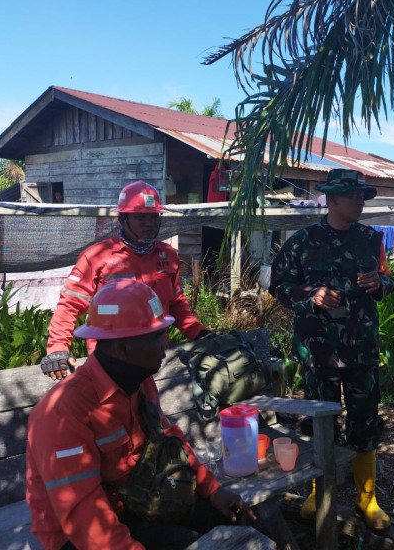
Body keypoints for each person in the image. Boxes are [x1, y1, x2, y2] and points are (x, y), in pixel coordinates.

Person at [26, 280, 251, 550]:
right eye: (155, 336)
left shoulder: (139, 382)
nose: (164, 345)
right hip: (80, 534)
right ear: (122, 347)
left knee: (237, 522)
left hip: (140, 501)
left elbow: (170, 440)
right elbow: (83, 513)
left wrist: (213, 490)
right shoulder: (64, 412)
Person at [269, 168, 394, 530]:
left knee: (365, 422)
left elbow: (389, 280)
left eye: (361, 196)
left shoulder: (371, 239)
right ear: (333, 199)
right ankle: (317, 493)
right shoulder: (303, 241)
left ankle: (366, 500)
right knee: (320, 424)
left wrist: (380, 283)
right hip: (318, 350)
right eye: (354, 196)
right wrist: (312, 295)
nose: (360, 202)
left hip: (362, 349)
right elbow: (277, 284)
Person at [41, 181, 209, 380]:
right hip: (110, 360)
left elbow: (176, 304)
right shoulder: (97, 257)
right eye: (141, 217)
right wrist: (58, 348)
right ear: (122, 219)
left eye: (154, 217)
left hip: (155, 356)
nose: (150, 223)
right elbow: (70, 305)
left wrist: (201, 335)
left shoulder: (168, 256)